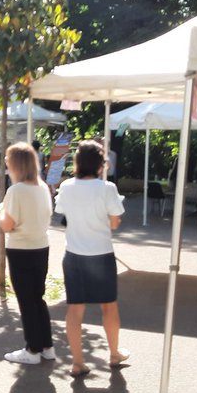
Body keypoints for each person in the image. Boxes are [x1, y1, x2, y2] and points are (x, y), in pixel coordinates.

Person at [55, 140, 128, 376]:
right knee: (109, 307)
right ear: (100, 163)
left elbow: (62, 213)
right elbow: (115, 222)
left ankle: (77, 361)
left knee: (75, 309)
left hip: (74, 254)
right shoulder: (107, 188)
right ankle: (114, 353)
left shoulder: (66, 187)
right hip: (101, 254)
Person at [0, 142, 55, 365]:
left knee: (26, 301)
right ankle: (47, 346)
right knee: (37, 299)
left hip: (20, 249)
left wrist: (1, 211)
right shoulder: (42, 187)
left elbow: (7, 225)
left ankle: (32, 349)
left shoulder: (16, 190)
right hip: (41, 247)